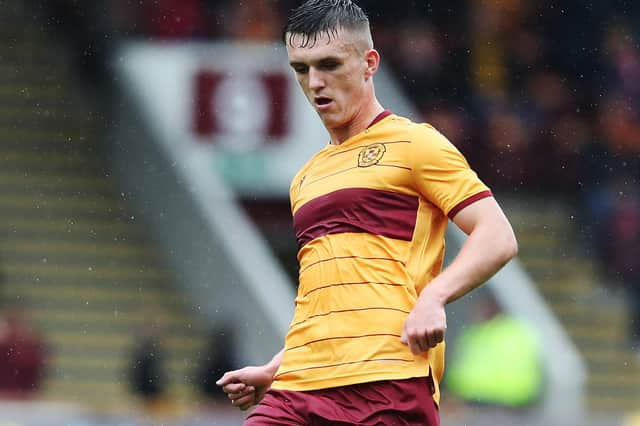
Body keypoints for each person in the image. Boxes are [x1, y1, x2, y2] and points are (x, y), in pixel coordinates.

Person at [216, 1, 518, 424]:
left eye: (329, 64)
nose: (315, 82)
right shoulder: (307, 177)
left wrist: (434, 297)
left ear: (368, 63)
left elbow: (497, 235)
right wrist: (274, 368)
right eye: (301, 69)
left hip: (387, 382)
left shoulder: (416, 144)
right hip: (298, 387)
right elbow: (333, 295)